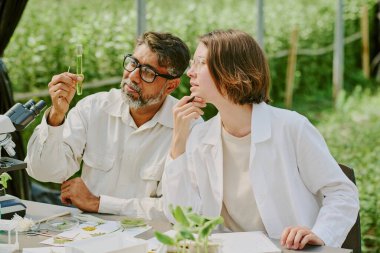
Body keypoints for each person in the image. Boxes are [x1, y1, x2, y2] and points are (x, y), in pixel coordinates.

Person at [162, 29, 359, 249]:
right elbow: (181, 215)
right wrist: (178, 139)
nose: (190, 72)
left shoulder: (291, 127)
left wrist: (320, 234)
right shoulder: (200, 136)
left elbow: (342, 193)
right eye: (192, 63)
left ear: (231, 71)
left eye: (200, 63)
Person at [26, 31, 190, 221]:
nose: (133, 76)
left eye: (148, 72)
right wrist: (56, 115)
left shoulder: (187, 126)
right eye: (133, 63)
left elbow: (176, 208)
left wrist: (98, 203)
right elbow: (43, 171)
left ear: (171, 86)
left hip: (148, 241)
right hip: (88, 233)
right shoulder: (93, 108)